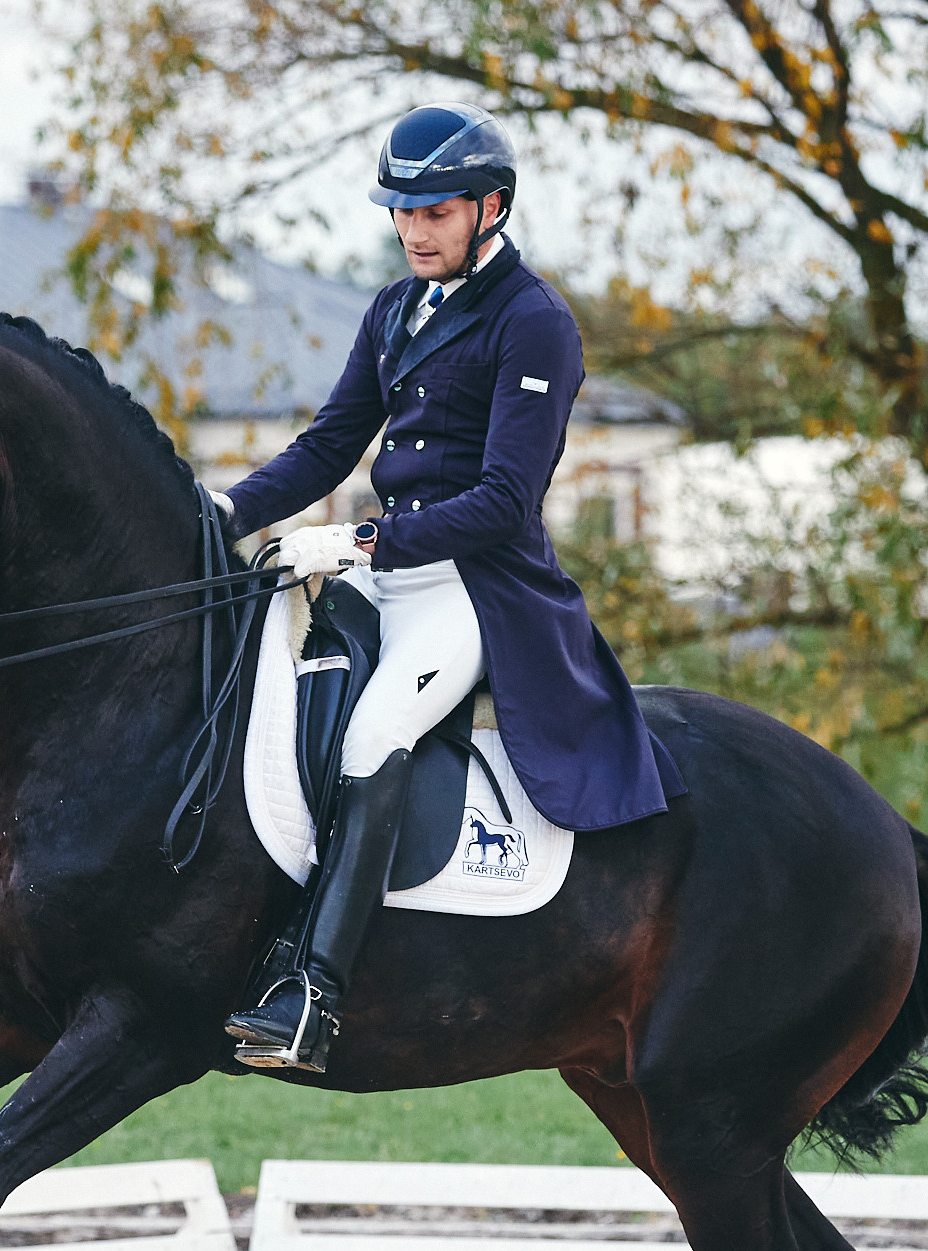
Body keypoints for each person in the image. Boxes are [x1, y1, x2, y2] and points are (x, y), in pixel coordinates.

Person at [214, 102, 683, 1073]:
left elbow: (506, 502)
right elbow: (329, 444)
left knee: (375, 728)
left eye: (435, 212)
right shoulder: (393, 310)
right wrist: (218, 512)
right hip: (381, 570)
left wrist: (362, 537)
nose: (414, 230)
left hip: (475, 586)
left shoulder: (534, 322)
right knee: (273, 694)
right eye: (403, 213)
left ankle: (313, 994)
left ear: (489, 207)